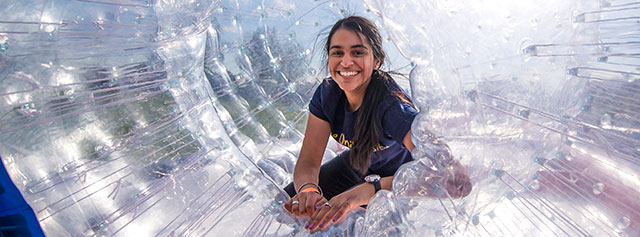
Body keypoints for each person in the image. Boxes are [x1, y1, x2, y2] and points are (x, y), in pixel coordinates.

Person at [283, 16, 471, 232]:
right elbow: (308, 160)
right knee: (290, 206)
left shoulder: (393, 109)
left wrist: (371, 189)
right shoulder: (327, 94)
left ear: (376, 61)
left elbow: (457, 181)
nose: (345, 62)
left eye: (357, 52)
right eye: (337, 52)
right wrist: (308, 190)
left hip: (395, 180)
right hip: (354, 165)